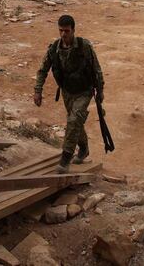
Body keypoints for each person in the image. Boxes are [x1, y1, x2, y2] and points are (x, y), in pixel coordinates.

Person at [34, 14, 104, 174]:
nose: (63, 34)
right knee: (76, 121)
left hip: (84, 91)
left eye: (66, 31)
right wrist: (38, 90)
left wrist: (100, 91)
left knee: (73, 121)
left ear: (73, 30)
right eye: (61, 31)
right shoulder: (54, 49)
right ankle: (84, 148)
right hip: (67, 92)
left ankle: (65, 158)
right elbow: (42, 70)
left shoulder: (84, 46)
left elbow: (96, 68)